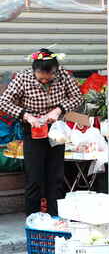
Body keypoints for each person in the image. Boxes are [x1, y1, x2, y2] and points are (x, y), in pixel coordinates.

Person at [0, 49, 83, 216]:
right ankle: (33, 219)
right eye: (41, 76)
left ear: (55, 70)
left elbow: (78, 97)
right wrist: (26, 116)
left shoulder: (64, 76)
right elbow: (4, 101)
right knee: (34, 179)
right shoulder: (23, 78)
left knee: (56, 177)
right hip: (33, 130)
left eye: (49, 76)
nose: (45, 80)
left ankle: (55, 217)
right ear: (34, 70)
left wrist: (59, 110)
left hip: (56, 131)